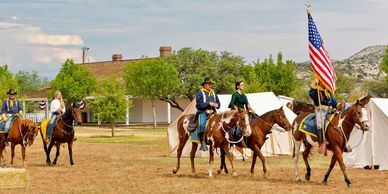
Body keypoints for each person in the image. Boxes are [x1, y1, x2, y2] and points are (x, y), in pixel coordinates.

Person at [189, 77, 220, 151]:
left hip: (213, 113)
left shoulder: (213, 92)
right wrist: (208, 103)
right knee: (202, 125)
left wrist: (217, 105)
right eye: (209, 84)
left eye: (211, 84)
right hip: (203, 112)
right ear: (205, 85)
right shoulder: (200, 93)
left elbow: (219, 103)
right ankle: (202, 141)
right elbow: (198, 105)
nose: (210, 86)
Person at [309, 79, 337, 154]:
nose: (324, 83)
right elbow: (311, 94)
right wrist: (315, 86)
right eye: (322, 82)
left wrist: (335, 106)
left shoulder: (328, 91)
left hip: (329, 111)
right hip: (320, 111)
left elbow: (334, 102)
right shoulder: (316, 91)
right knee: (319, 124)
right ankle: (321, 141)